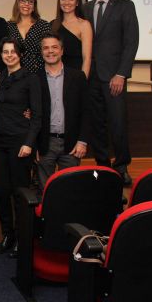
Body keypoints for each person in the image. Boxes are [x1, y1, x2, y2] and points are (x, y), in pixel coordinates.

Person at [83, 0, 139, 185]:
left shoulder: (125, 6)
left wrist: (121, 74)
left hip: (114, 77)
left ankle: (122, 167)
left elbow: (131, 42)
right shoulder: (85, 8)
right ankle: (103, 167)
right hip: (91, 78)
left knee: (118, 123)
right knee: (97, 125)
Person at [0, 38, 41, 257]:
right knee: (0, 190)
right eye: (5, 52)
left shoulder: (31, 79)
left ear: (20, 54)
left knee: (20, 192)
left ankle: (22, 238)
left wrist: (29, 143)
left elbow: (37, 115)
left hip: (20, 142)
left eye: (13, 52)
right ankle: (7, 235)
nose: (9, 55)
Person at [36, 33, 90, 190]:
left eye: (54, 47)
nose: (50, 51)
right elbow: (30, 114)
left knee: (70, 192)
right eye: (46, 48)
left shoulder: (78, 77)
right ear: (41, 52)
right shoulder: (34, 78)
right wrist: (33, 145)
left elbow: (86, 111)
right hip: (44, 144)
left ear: (62, 50)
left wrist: (82, 141)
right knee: (45, 192)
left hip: (72, 145)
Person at [51, 0, 92, 77]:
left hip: (76, 74)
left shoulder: (84, 25)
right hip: (55, 76)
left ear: (77, 3)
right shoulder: (52, 24)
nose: (67, 2)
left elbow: (87, 58)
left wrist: (82, 80)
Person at [6, 0, 51, 74]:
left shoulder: (43, 25)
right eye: (23, 1)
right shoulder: (8, 26)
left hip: (38, 74)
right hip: (15, 74)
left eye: (30, 2)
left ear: (34, 6)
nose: (26, 4)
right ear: (17, 4)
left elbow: (48, 50)